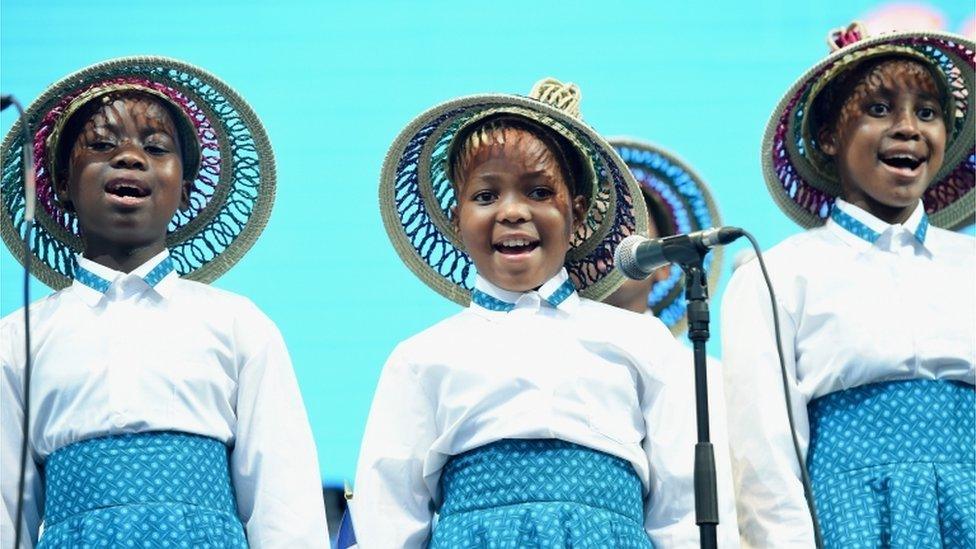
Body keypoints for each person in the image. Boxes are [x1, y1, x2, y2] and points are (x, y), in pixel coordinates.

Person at [354, 78, 739, 547]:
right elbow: (387, 519)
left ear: (576, 215)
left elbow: (683, 511)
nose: (512, 212)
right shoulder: (421, 359)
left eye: (538, 193)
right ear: (456, 221)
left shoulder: (641, 342)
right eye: (485, 196)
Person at [0, 57, 330, 548]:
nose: (130, 158)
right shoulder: (18, 338)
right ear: (63, 186)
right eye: (103, 145)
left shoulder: (238, 324)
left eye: (155, 148)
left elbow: (284, 502)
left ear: (184, 189)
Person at [722, 23, 975, 547]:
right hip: (850, 520)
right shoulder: (778, 277)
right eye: (879, 109)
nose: (908, 128)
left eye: (927, 113)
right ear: (830, 137)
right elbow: (765, 460)